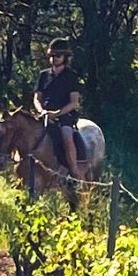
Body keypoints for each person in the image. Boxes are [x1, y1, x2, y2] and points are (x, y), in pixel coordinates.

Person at [34, 38, 84, 176]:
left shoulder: (71, 76)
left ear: (65, 57)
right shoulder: (43, 75)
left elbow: (74, 102)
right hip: (44, 114)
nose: (54, 59)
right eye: (52, 56)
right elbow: (37, 97)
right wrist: (42, 111)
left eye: (58, 56)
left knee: (67, 137)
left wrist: (57, 113)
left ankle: (74, 172)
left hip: (64, 116)